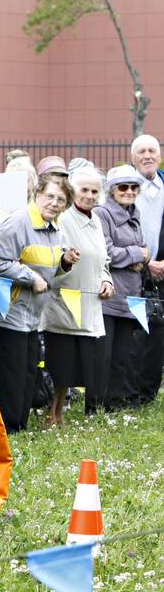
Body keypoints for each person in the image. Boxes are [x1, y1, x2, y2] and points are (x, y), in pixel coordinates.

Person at [0, 175, 77, 433]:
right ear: (38, 193)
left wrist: (64, 262)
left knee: (27, 373)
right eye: (50, 196)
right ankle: (8, 428)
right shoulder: (18, 222)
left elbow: (49, 272)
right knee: (11, 375)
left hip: (33, 316)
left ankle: (20, 425)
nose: (55, 203)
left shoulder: (55, 228)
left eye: (61, 200)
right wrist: (30, 277)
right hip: (8, 312)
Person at [41, 168, 112, 422]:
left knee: (76, 365)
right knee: (61, 362)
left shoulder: (97, 220)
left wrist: (106, 279)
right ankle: (52, 412)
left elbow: (103, 260)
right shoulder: (63, 219)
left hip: (90, 302)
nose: (90, 195)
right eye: (84, 190)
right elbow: (52, 258)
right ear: (72, 191)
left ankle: (60, 411)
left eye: (95, 191)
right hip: (65, 303)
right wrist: (65, 260)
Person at [96, 165, 151, 412]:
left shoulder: (134, 212)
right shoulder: (103, 213)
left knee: (122, 356)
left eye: (134, 187)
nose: (129, 192)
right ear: (112, 190)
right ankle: (98, 403)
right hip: (110, 295)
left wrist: (138, 257)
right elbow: (106, 252)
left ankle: (114, 403)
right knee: (105, 356)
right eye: (123, 187)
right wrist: (137, 254)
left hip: (131, 294)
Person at [131, 135, 164, 405]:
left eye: (152, 150)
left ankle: (150, 391)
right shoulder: (127, 188)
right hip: (135, 269)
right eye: (141, 151)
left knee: (159, 336)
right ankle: (137, 391)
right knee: (140, 334)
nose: (147, 155)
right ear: (133, 158)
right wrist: (147, 262)